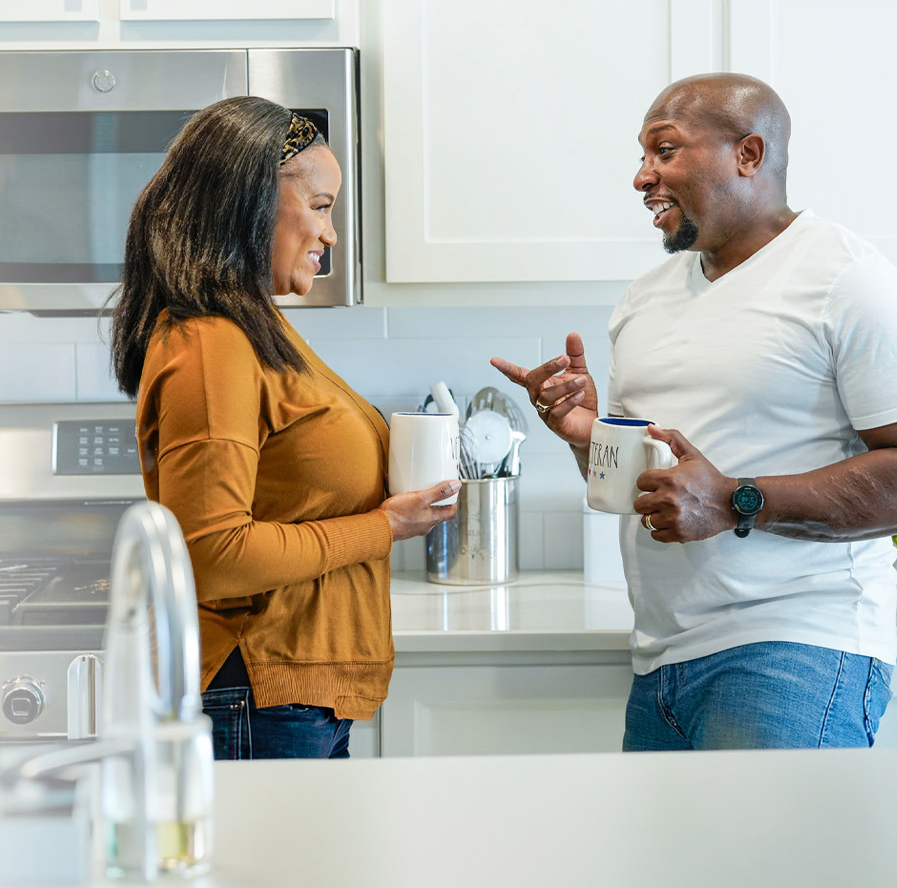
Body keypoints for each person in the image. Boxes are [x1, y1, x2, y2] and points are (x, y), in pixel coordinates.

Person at [493, 73, 897, 751]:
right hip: (661, 660)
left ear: (748, 154)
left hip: (795, 646)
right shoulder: (644, 300)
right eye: (643, 157)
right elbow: (641, 477)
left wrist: (738, 499)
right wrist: (583, 433)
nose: (642, 177)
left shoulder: (844, 277)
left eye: (665, 150)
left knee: (762, 861)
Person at [110, 96, 459, 760]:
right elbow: (213, 554)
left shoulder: (251, 329)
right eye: (321, 207)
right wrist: (384, 527)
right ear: (249, 201)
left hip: (287, 699)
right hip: (256, 697)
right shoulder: (211, 342)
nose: (330, 235)